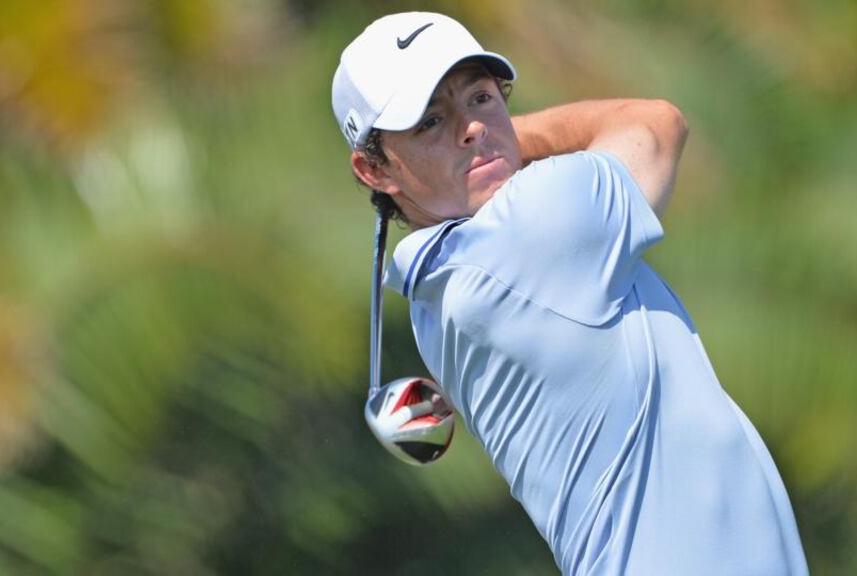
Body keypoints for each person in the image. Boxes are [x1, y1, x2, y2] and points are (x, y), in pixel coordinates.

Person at [332, 11, 808, 576]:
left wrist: (473, 144)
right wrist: (507, 138)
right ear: (375, 170)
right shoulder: (534, 225)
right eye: (431, 121)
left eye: (481, 97)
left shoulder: (431, 296)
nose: (471, 126)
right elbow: (656, 122)